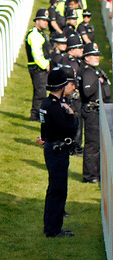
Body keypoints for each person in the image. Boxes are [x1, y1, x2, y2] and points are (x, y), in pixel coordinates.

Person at [39, 67, 77, 238]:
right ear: (62, 87)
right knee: (58, 190)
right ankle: (53, 229)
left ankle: (51, 225)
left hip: (50, 148)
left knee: (53, 189)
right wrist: (71, 114)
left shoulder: (45, 104)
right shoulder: (56, 107)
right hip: (57, 151)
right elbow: (68, 129)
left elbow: (44, 128)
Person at [78, 42, 111, 184]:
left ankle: (96, 173)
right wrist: (98, 81)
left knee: (98, 144)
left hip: (98, 110)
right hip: (91, 111)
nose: (97, 57)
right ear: (86, 58)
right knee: (92, 145)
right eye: (93, 55)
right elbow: (87, 91)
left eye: (97, 55)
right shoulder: (88, 72)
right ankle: (90, 176)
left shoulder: (94, 71)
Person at [26, 9, 51, 121]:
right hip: (38, 67)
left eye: (47, 20)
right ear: (37, 20)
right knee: (40, 92)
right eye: (44, 20)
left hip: (39, 67)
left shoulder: (39, 33)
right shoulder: (35, 34)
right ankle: (35, 116)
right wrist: (45, 65)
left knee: (41, 90)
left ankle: (38, 114)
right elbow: (36, 53)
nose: (46, 22)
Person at [62, 35, 84, 154]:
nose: (82, 50)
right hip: (73, 97)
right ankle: (75, 148)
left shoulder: (65, 59)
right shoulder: (73, 64)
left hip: (68, 96)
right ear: (71, 49)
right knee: (76, 122)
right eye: (79, 47)